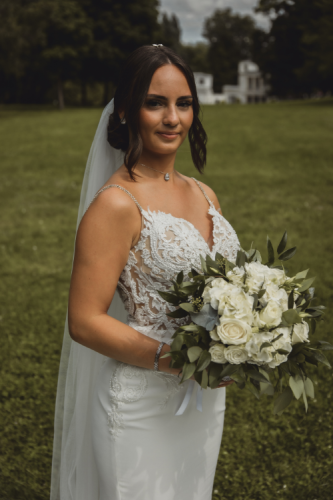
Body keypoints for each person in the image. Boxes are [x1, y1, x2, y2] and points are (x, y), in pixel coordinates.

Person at [50, 45, 240, 500]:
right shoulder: (116, 204)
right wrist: (176, 359)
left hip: (204, 398)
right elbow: (84, 321)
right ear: (125, 113)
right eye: (155, 103)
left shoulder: (205, 193)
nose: (173, 118)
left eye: (184, 103)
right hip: (140, 403)